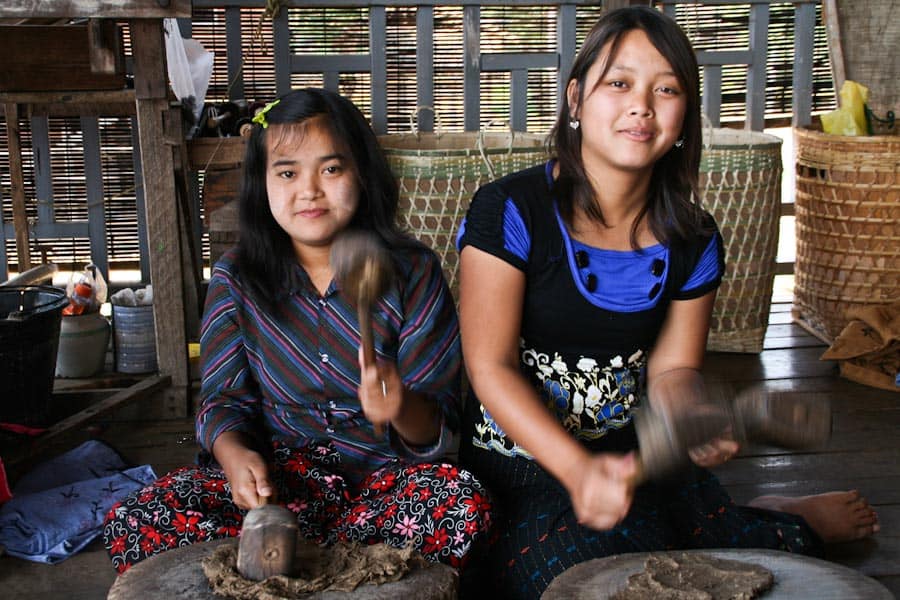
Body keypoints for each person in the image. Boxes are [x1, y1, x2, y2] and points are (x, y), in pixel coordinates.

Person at [454, 7, 879, 599]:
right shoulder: (509, 212)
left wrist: (690, 415)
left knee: (667, 543)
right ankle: (751, 518)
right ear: (576, 99)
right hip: (523, 461)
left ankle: (773, 516)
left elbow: (675, 370)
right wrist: (578, 471)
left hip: (633, 452)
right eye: (619, 83)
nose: (642, 105)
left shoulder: (694, 237)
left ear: (685, 117)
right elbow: (489, 368)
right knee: (576, 565)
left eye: (667, 88)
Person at [103, 88, 492, 574]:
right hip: (279, 485)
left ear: (363, 175)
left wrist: (401, 406)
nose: (309, 189)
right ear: (261, 183)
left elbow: (438, 429)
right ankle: (336, 570)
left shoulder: (412, 272)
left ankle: (297, 570)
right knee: (135, 517)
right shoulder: (236, 277)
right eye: (287, 172)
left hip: (385, 487)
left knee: (457, 501)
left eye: (331, 169)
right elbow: (222, 400)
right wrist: (234, 456)